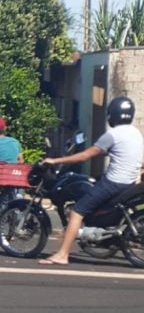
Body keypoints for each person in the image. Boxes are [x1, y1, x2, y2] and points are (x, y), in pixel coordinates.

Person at [40, 96, 144, 265]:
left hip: (113, 182)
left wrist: (56, 160)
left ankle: (62, 254)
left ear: (113, 114)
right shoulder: (135, 133)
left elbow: (85, 155)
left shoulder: (112, 135)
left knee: (77, 211)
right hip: (129, 182)